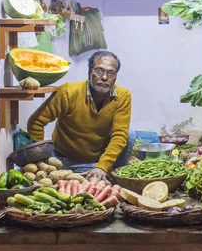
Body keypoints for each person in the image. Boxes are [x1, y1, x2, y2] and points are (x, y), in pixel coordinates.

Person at [27, 50, 135, 181]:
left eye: (111, 73)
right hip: (63, 158)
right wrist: (42, 160)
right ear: (90, 71)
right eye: (99, 71)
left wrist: (102, 166)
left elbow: (120, 135)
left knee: (130, 135)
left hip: (96, 159)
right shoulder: (68, 92)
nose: (105, 77)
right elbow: (36, 122)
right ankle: (94, 172)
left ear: (115, 76)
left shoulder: (123, 96)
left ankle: (109, 172)